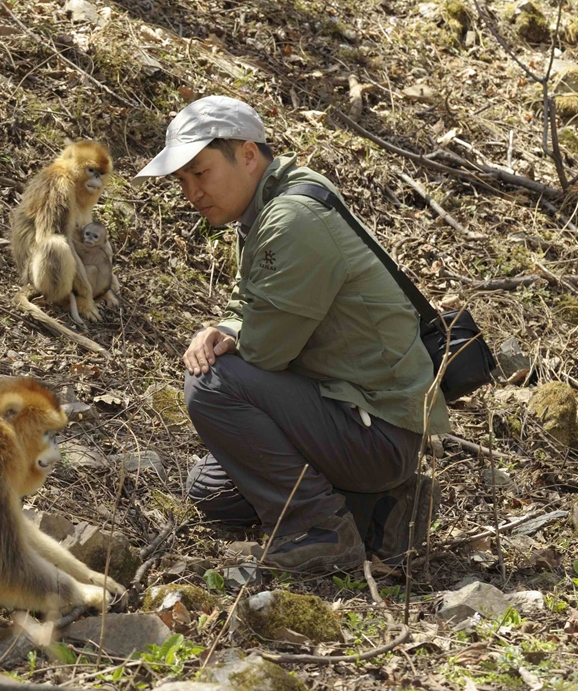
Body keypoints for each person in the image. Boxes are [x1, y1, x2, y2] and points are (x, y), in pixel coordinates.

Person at [134, 96, 449, 574]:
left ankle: (319, 531)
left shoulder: (292, 219)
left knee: (211, 384)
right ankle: (382, 510)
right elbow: (251, 310)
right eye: (182, 180)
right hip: (349, 415)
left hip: (377, 430)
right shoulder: (269, 208)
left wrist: (236, 338)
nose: (191, 192)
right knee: (210, 490)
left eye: (200, 173)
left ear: (246, 154)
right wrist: (224, 328)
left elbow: (267, 350)